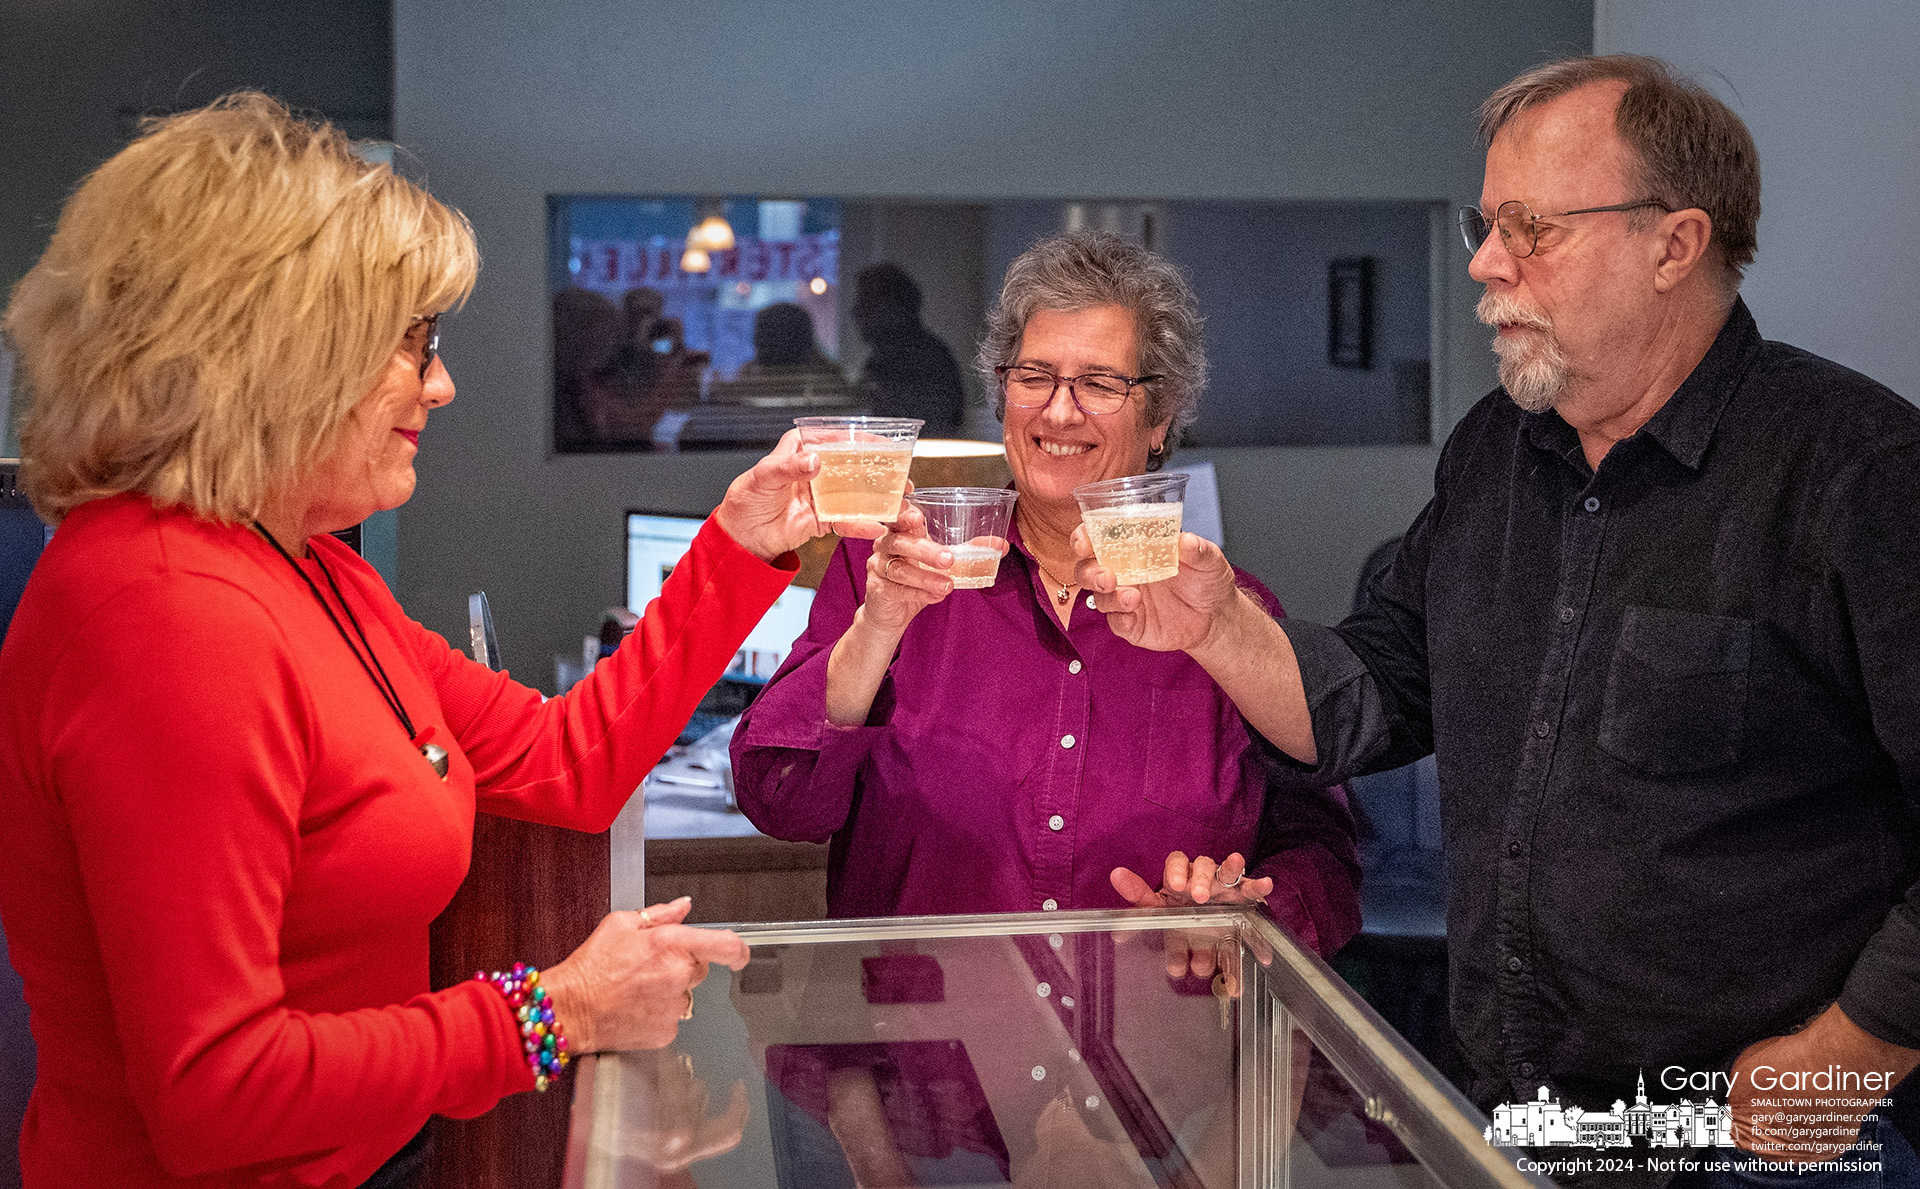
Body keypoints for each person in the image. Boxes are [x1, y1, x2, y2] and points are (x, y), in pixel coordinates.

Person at [1073, 56, 1920, 1186]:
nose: (1482, 260)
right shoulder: (1497, 448)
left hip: (1762, 1138)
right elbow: (1380, 691)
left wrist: (1852, 1050)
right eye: (1487, 220)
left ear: (1674, 244)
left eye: (1530, 226)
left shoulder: (1859, 470)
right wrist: (1219, 627)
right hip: (1513, 1119)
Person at [0, 94, 862, 1188]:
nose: (441, 384)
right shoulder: (164, 613)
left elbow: (567, 759)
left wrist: (738, 542)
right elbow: (219, 1093)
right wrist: (554, 1014)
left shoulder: (306, 564)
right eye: (413, 345)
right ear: (274, 353)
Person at [732, 232, 1360, 955]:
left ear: (1160, 418)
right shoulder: (890, 572)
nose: (1059, 413)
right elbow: (777, 799)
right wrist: (876, 629)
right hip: (920, 1053)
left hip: (1147, 1049)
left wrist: (1246, 915)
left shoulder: (1221, 613)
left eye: (1099, 383)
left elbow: (1327, 856)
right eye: (1034, 376)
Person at [849, 263, 966, 435]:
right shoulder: (914, 353)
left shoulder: (918, 360)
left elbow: (925, 429)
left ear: (892, 307)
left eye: (867, 303)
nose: (855, 311)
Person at [715, 302, 853, 408]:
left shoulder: (826, 387)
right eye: (759, 337)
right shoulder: (748, 379)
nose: (756, 343)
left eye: (765, 337)